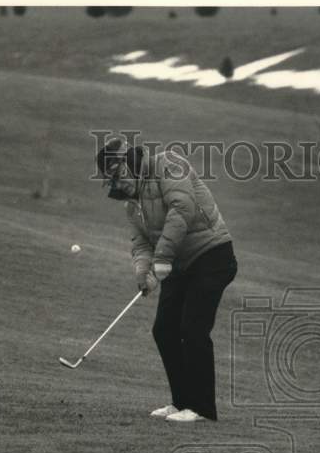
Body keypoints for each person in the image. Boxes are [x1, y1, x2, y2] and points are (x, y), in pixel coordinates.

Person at [96, 136, 237, 422]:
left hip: (212, 256)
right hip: (178, 264)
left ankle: (202, 409)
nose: (119, 184)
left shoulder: (169, 164)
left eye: (119, 175)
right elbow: (140, 243)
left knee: (193, 329)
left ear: (131, 162)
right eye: (112, 181)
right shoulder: (132, 205)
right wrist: (144, 274)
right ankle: (181, 402)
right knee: (164, 329)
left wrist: (162, 260)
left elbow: (181, 210)